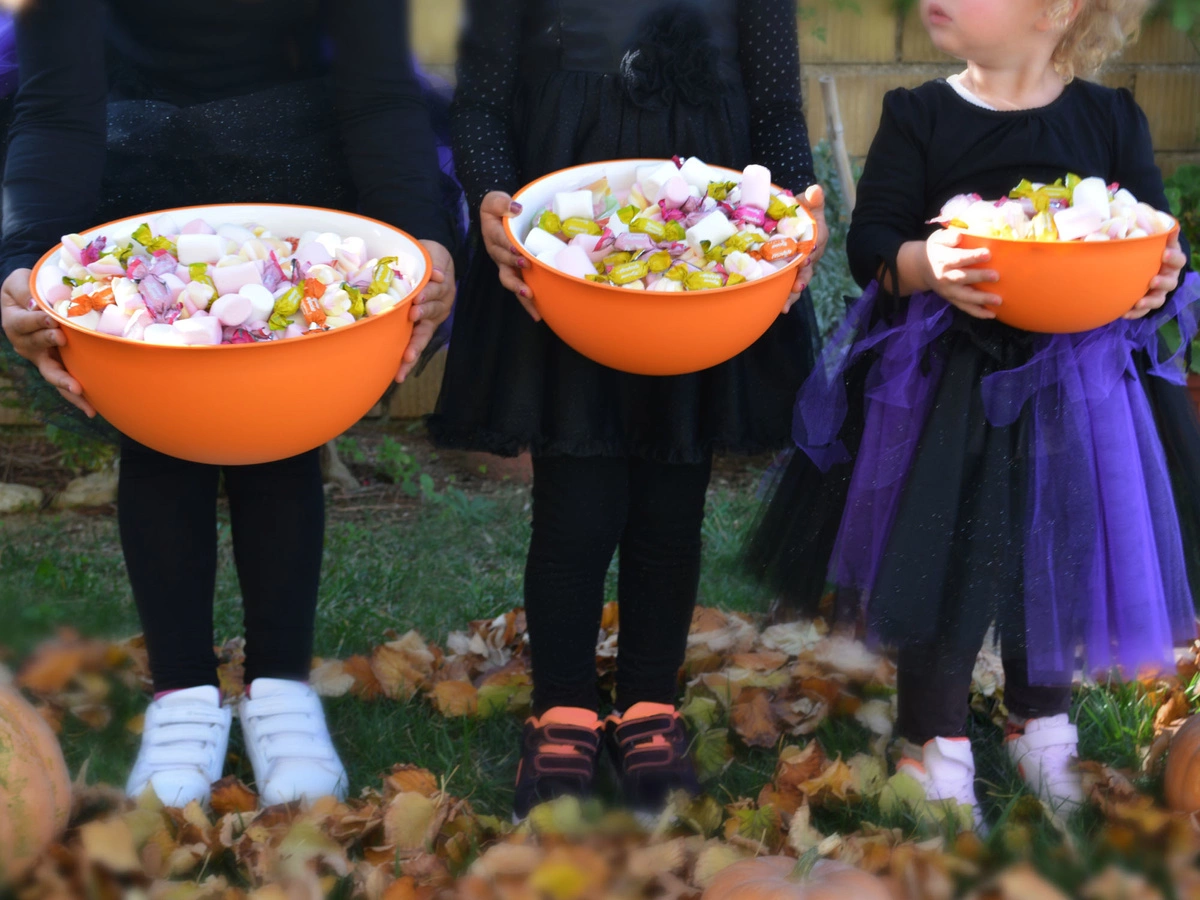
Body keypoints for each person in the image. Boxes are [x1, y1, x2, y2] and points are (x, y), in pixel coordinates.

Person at [745, 0, 1199, 827]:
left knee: (1053, 544)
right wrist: (925, 262)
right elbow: (873, 243)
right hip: (944, 384)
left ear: (1057, 9)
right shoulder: (919, 114)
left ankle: (1040, 719)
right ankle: (934, 740)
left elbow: (1155, 241)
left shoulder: (1110, 119)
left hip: (1077, 389)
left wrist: (1161, 272)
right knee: (943, 551)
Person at [0, 0, 456, 809]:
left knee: (281, 435)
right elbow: (55, 105)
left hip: (292, 178)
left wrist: (422, 232)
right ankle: (183, 696)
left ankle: (280, 689)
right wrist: (23, 253)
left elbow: (379, 90)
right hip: (128, 176)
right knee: (158, 440)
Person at [429, 0, 828, 819]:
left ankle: (649, 704)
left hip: (704, 255)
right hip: (569, 250)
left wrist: (796, 209)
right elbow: (481, 104)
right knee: (574, 505)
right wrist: (492, 195)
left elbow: (776, 107)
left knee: (672, 503)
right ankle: (564, 710)